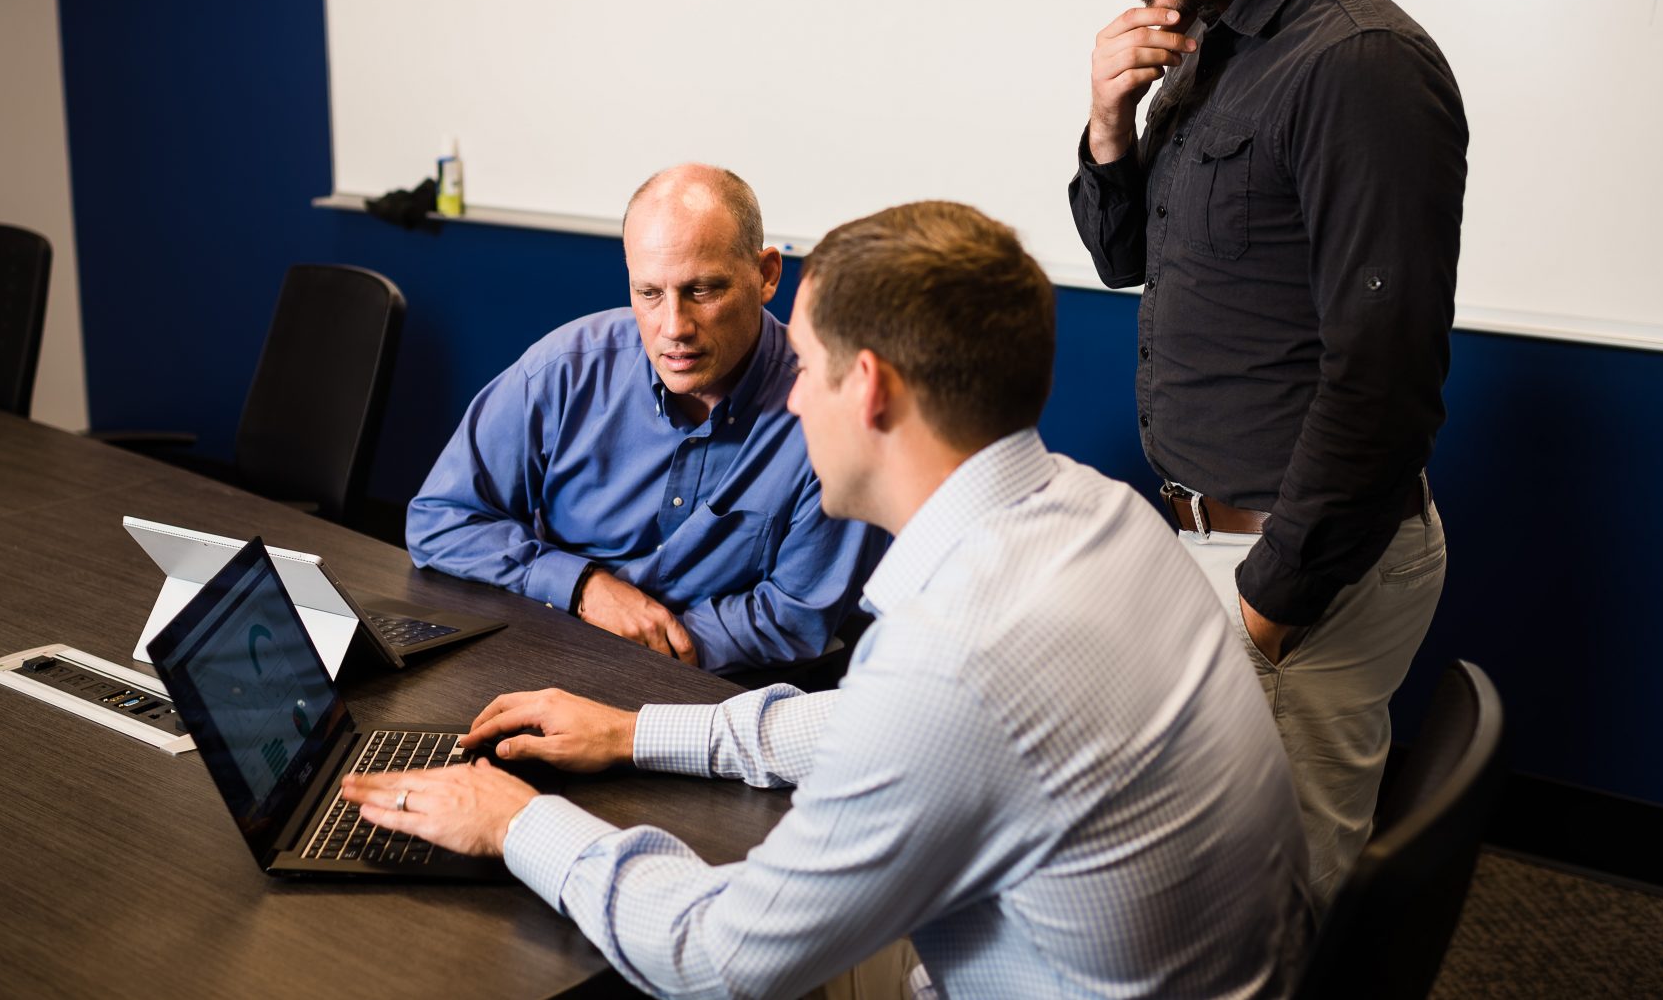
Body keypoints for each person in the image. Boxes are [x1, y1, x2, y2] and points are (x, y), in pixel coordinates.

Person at [353, 201, 1312, 999]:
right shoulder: (1100, 513)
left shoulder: (953, 653)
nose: (792, 398)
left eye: (805, 368)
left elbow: (711, 954)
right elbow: (889, 724)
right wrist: (635, 731)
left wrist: (513, 820)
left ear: (871, 390)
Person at [1060, 0, 1469, 901]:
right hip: (1212, 544)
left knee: (1276, 904)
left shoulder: (1357, 63)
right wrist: (1105, 128)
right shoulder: (1213, 39)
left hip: (1291, 568)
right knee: (1207, 884)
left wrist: (1267, 605)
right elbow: (1118, 255)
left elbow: (1382, 378)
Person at [407, 163, 884, 674]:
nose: (673, 328)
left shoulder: (825, 412)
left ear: (766, 275)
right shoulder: (565, 370)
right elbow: (441, 518)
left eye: (703, 291)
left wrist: (643, 642)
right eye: (649, 293)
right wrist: (583, 588)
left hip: (713, 696)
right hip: (552, 647)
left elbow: (795, 615)